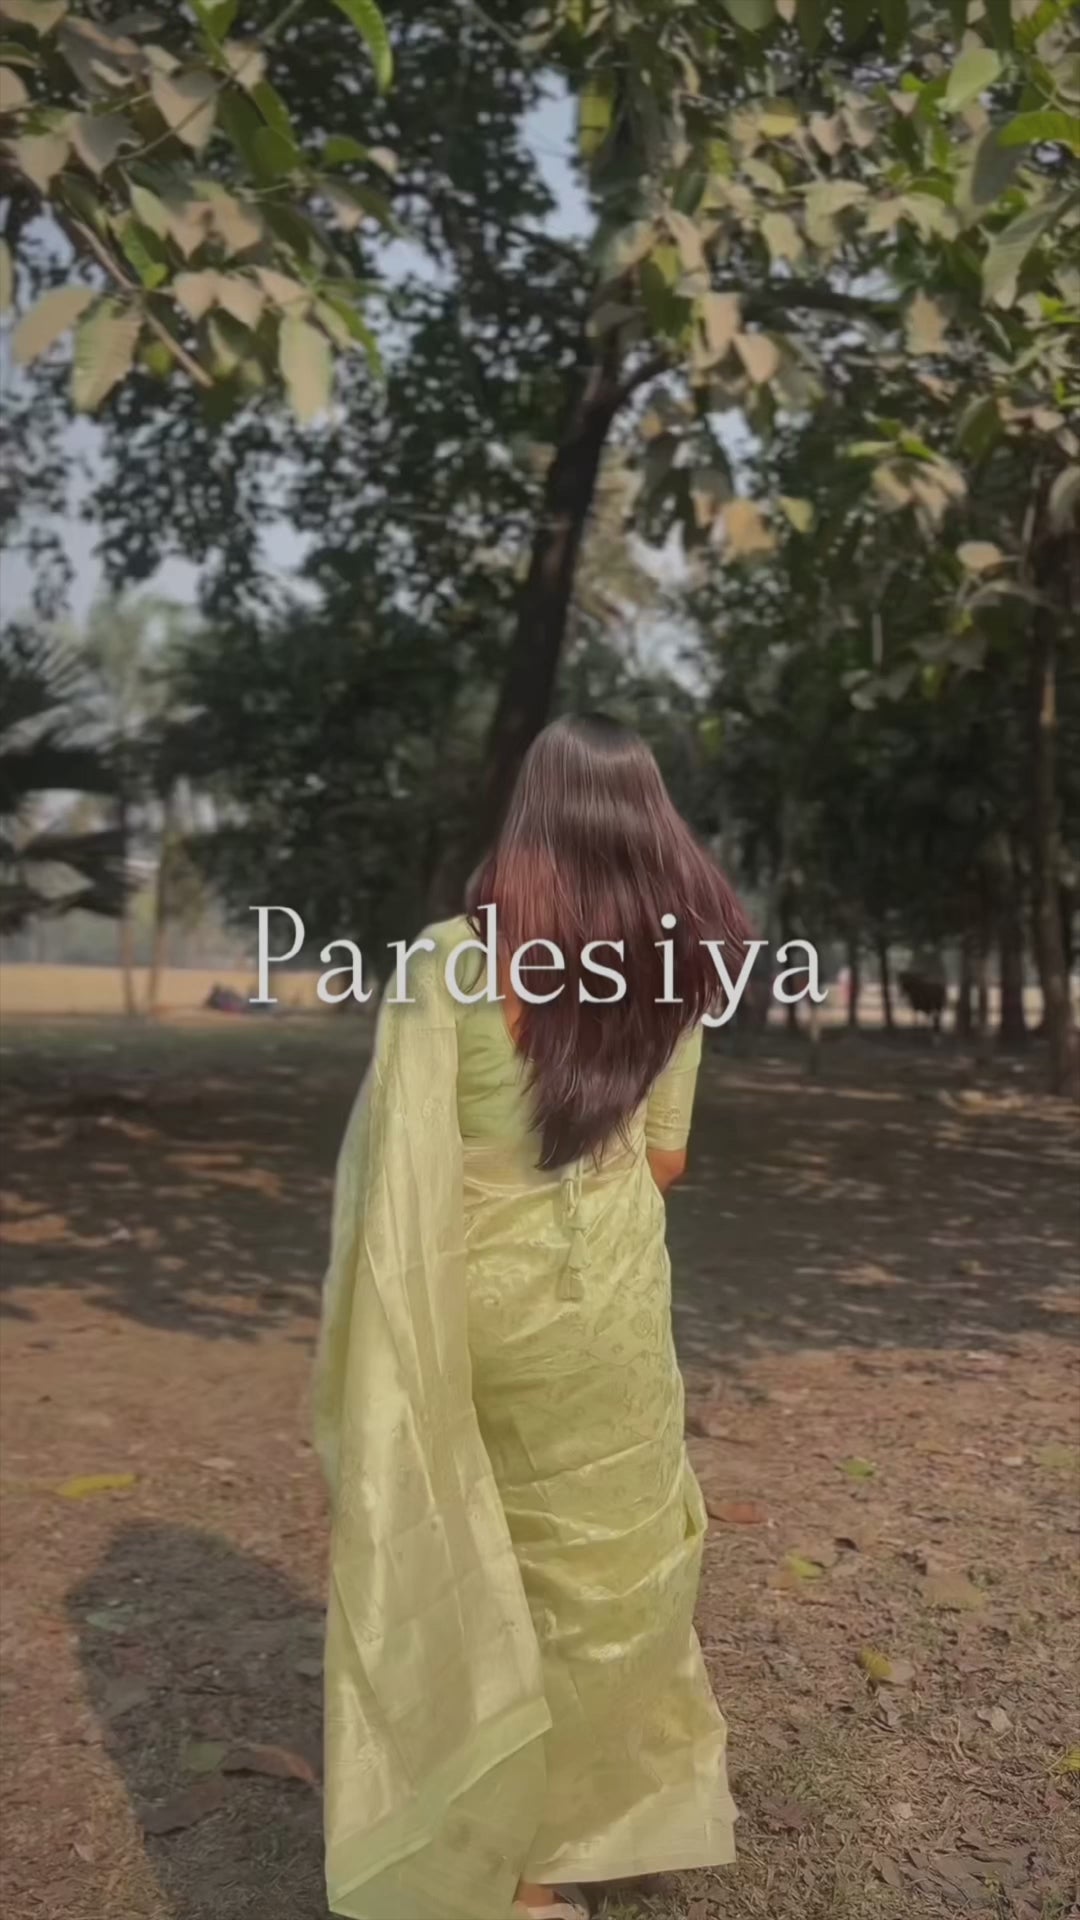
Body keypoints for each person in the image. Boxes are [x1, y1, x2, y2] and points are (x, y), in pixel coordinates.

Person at [313, 714, 748, 1920]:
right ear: (651, 819)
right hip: (611, 1309)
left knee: (476, 1561)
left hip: (473, 1304)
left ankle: (508, 1863)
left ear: (532, 814)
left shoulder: (450, 964)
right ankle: (583, 1828)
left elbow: (400, 1169)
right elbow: (667, 1162)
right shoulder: (681, 961)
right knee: (608, 1569)